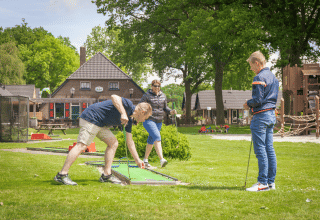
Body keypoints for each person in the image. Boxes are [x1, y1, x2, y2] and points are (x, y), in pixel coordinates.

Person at [54, 95, 152, 185]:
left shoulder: (129, 121)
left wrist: (137, 160)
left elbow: (130, 142)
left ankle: (106, 175)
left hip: (101, 123)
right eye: (146, 118)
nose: (144, 120)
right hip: (91, 117)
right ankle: (62, 175)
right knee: (82, 145)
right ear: (142, 112)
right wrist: (123, 113)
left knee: (113, 143)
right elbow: (114, 97)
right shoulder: (129, 105)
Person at [243, 51, 279, 192]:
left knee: (261, 150)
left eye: (251, 65)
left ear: (257, 63)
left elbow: (257, 100)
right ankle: (271, 183)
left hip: (261, 117)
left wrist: (248, 103)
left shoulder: (259, 77)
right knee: (269, 149)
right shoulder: (274, 78)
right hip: (271, 115)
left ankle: (262, 182)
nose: (251, 68)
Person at [140, 80, 176, 168]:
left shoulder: (163, 96)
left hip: (159, 121)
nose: (157, 88)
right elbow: (140, 105)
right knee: (157, 137)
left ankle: (145, 160)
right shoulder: (146, 96)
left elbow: (165, 107)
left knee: (151, 140)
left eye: (158, 86)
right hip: (149, 120)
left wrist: (171, 111)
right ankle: (162, 159)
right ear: (151, 86)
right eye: (155, 86)